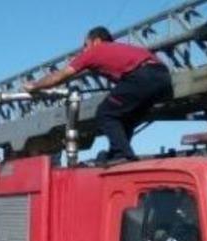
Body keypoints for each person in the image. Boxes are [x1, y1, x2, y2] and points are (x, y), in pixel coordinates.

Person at [24, 26, 173, 160]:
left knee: (105, 113)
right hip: (163, 77)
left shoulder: (95, 51)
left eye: (85, 45)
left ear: (96, 41)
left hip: (141, 77)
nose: (83, 50)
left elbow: (60, 76)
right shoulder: (124, 49)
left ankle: (122, 155)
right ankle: (117, 153)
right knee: (126, 117)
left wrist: (35, 86)